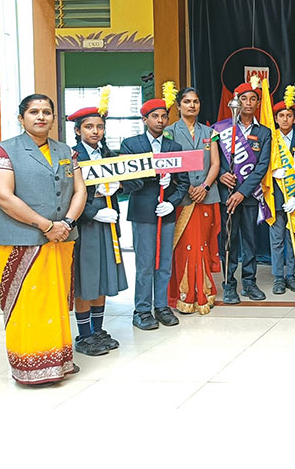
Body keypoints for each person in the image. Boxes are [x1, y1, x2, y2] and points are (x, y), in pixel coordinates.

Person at [0, 94, 87, 385]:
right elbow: (4, 197)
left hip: (61, 238)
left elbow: (79, 190)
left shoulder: (66, 150)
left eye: (46, 112)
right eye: (33, 112)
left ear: (54, 118)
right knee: (27, 303)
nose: (40, 116)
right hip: (21, 239)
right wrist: (46, 225)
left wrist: (66, 222)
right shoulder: (3, 151)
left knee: (56, 301)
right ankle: (29, 366)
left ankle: (59, 360)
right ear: (22, 118)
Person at [120, 98, 189, 330]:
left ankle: (161, 306)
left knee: (164, 263)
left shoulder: (174, 148)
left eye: (163, 117)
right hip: (142, 212)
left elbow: (183, 182)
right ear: (145, 119)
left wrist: (172, 201)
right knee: (145, 263)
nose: (160, 121)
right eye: (155, 116)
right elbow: (127, 181)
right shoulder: (131, 144)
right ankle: (141, 310)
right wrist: (154, 175)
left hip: (166, 211)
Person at [68, 104, 128, 356]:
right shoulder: (72, 155)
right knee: (87, 279)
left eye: (99, 126)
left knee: (104, 277)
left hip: (109, 224)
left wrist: (118, 188)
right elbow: (67, 193)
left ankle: (98, 329)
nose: (95, 131)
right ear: (78, 130)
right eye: (89, 127)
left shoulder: (109, 153)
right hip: (87, 225)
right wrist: (93, 211)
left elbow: (127, 181)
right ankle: (84, 335)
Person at [165, 87, 222, 314]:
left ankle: (204, 291)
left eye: (196, 101)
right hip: (182, 198)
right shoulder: (169, 133)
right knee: (185, 247)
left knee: (203, 245)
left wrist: (205, 187)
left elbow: (215, 163)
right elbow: (171, 164)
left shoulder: (210, 132)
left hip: (207, 196)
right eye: (187, 102)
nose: (192, 105)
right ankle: (185, 294)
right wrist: (189, 188)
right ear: (178, 106)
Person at [217, 79, 272, 303]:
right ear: (236, 102)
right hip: (226, 194)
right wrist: (221, 173)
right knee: (229, 241)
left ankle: (249, 282)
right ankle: (229, 284)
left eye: (252, 99)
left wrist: (243, 192)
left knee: (250, 241)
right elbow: (214, 159)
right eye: (243, 99)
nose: (248, 103)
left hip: (248, 196)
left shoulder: (265, 132)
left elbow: (262, 167)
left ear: (258, 103)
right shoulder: (221, 129)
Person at [268, 92, 295, 295]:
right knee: (276, 238)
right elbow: (261, 165)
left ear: (294, 118)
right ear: (275, 118)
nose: (285, 119)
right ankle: (278, 277)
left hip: (294, 195)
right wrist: (272, 172)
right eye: (281, 116)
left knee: (294, 237)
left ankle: (291, 275)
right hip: (274, 197)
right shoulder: (270, 138)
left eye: (288, 115)